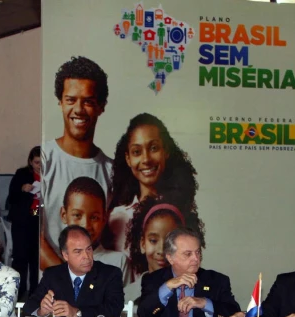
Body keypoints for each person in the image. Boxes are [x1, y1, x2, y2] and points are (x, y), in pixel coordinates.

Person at [40, 56, 113, 270]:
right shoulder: (44, 159)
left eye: (88, 101)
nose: (79, 109)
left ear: (101, 106)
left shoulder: (112, 172)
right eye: (71, 100)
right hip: (52, 287)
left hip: (97, 289)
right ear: (60, 102)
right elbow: (35, 237)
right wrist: (68, 281)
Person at [108, 113, 201, 254]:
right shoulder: (117, 218)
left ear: (166, 151)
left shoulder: (181, 213)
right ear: (128, 159)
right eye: (137, 151)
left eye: (153, 148)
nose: (146, 159)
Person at [137, 228, 240, 317]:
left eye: (198, 252)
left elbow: (234, 313)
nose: (196, 258)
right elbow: (144, 314)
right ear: (170, 258)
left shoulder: (216, 280)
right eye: (188, 254)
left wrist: (204, 303)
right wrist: (167, 287)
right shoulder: (152, 279)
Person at [23, 225, 124, 317]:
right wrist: (41, 311)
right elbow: (29, 306)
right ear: (65, 255)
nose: (86, 256)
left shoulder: (110, 274)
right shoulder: (53, 275)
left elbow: (114, 309)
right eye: (78, 252)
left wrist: (77, 312)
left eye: (88, 249)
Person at [60, 177, 131, 285]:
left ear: (104, 218)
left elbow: (123, 301)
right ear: (64, 215)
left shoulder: (117, 262)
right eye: (77, 215)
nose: (86, 225)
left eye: (94, 218)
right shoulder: (57, 263)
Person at [7, 146, 42, 299]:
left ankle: (35, 291)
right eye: (36, 163)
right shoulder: (22, 174)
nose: (39, 166)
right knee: (21, 257)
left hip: (41, 220)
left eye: (42, 163)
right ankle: (19, 291)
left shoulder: (51, 174)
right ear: (30, 162)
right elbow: (11, 196)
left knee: (36, 258)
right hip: (23, 220)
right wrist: (23, 189)